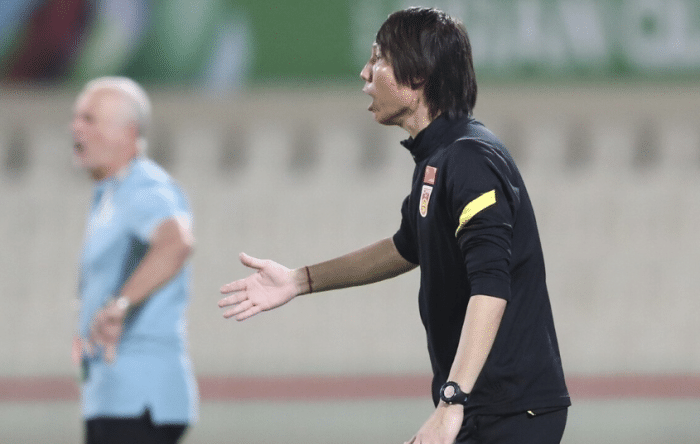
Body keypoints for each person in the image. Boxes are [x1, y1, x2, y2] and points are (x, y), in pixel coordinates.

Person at [218, 7, 570, 444]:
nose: (365, 73)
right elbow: (406, 247)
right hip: (482, 407)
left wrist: (452, 400)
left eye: (378, 59)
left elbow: (491, 289)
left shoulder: (470, 159)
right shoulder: (437, 159)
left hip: (509, 411)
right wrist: (299, 280)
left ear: (418, 74)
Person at [71, 76, 198, 444]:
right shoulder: (111, 194)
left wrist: (120, 305)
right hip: (112, 393)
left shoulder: (143, 187)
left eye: (89, 119)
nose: (76, 127)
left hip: (141, 397)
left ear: (127, 133)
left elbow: (176, 243)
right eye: (76, 118)